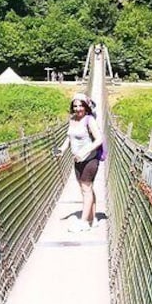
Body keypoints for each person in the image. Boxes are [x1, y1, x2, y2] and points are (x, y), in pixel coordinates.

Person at [56, 93, 103, 232]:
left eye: (80, 105)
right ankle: (92, 219)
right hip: (77, 160)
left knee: (86, 189)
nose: (78, 109)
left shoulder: (89, 120)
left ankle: (83, 222)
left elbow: (99, 139)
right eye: (75, 106)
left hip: (90, 159)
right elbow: (69, 138)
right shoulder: (72, 119)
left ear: (86, 106)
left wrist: (84, 151)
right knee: (86, 189)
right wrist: (62, 150)